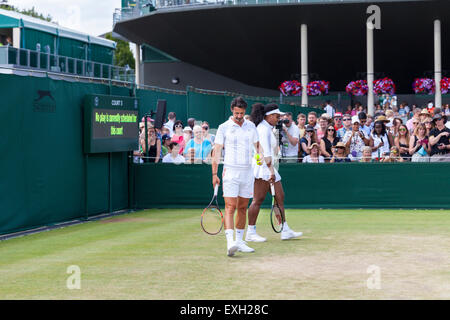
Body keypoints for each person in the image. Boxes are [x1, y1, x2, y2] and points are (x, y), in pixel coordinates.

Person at [212, 97, 261, 256]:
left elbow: (257, 145)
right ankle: (230, 242)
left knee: (242, 207)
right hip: (230, 171)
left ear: (244, 111)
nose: (239, 116)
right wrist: (214, 173)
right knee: (230, 206)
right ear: (232, 111)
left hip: (247, 171)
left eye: (241, 113)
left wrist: (259, 156)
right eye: (236, 113)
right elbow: (217, 150)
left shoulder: (251, 126)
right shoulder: (223, 127)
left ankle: (239, 242)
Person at [247, 103, 303, 243]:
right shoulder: (262, 129)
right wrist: (271, 170)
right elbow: (265, 152)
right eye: (277, 116)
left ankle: (285, 229)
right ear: (269, 116)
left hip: (269, 167)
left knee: (279, 197)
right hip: (263, 168)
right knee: (257, 200)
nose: (279, 118)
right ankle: (250, 232)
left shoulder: (268, 128)